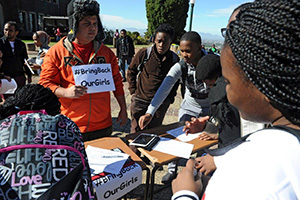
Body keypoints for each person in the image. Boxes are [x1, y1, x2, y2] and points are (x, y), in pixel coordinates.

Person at [172, 0, 300, 199]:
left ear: (262, 84)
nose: (227, 92)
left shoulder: (247, 176)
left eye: (229, 82)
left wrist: (185, 193)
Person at [39, 0, 128, 142]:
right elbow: (45, 84)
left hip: (103, 125)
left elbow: (117, 82)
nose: (92, 28)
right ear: (74, 25)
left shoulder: (106, 53)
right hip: (70, 125)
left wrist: (123, 108)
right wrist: (66, 92)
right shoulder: (56, 52)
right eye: (86, 24)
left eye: (95, 23)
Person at [138, 31, 210, 183]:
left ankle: (198, 173)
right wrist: (150, 112)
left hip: (209, 110)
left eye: (188, 51)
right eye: (182, 51)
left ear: (199, 48)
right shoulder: (181, 66)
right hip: (189, 107)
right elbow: (165, 87)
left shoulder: (212, 63)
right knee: (179, 138)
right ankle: (172, 170)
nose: (184, 55)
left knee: (203, 142)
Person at [127, 23, 179, 133]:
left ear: (170, 42)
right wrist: (133, 91)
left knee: (154, 133)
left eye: (165, 42)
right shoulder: (144, 53)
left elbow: (176, 81)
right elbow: (131, 71)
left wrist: (169, 99)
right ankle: (132, 151)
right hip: (140, 100)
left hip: (160, 105)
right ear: (154, 39)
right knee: (136, 132)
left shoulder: (174, 59)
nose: (161, 45)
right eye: (159, 41)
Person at [0, 21, 32, 95]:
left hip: (19, 75)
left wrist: (29, 75)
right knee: (8, 101)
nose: (7, 32)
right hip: (6, 77)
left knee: (19, 98)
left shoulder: (21, 44)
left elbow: (25, 60)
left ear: (16, 32)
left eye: (10, 30)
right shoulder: (1, 43)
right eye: (6, 30)